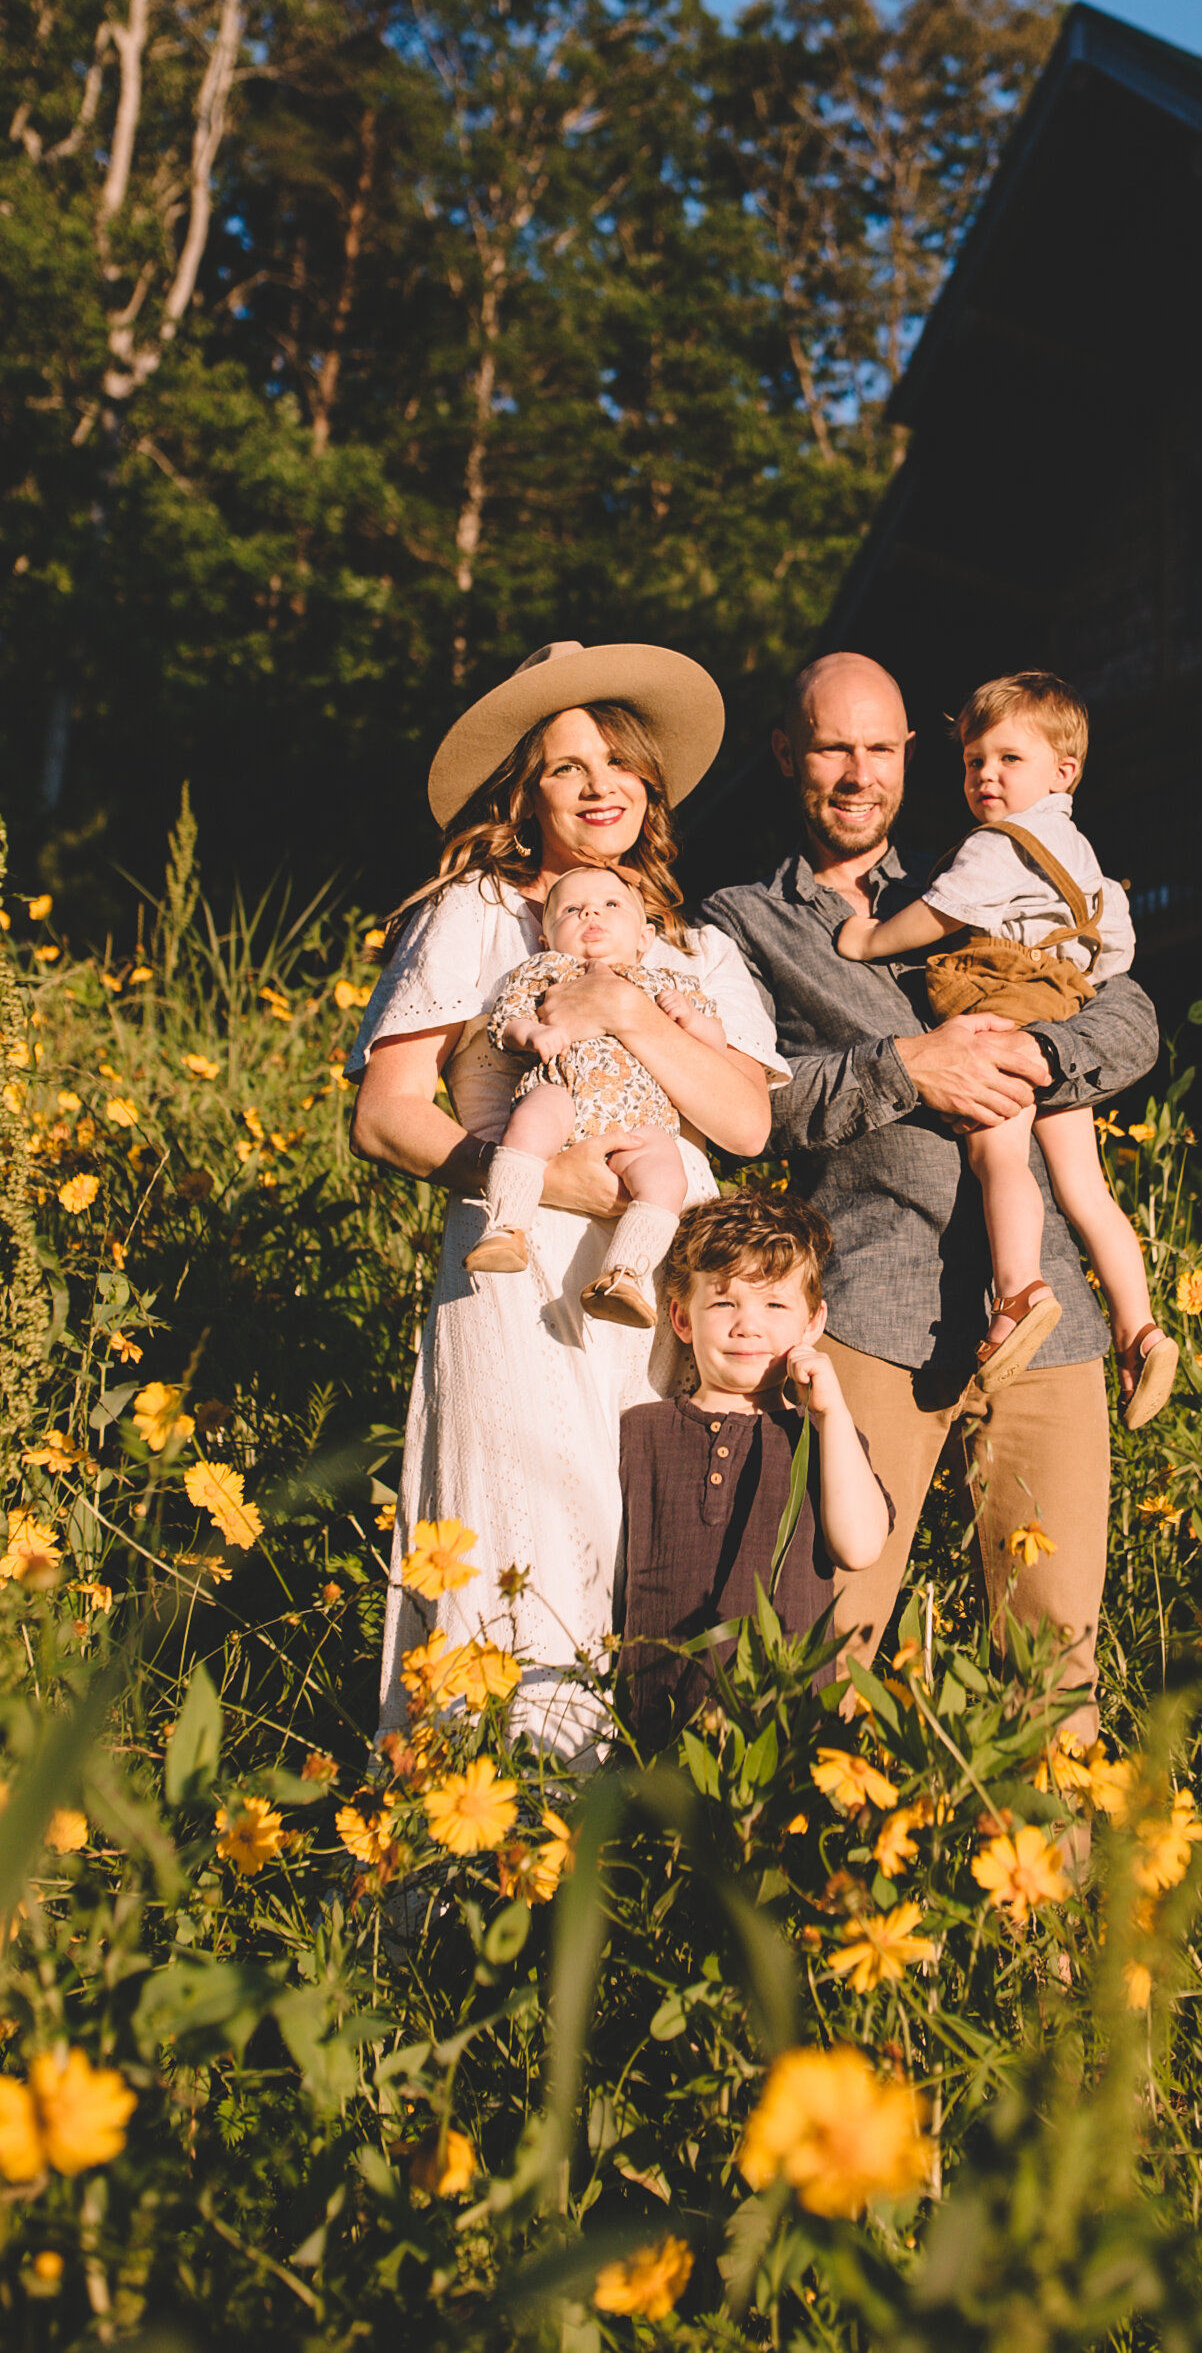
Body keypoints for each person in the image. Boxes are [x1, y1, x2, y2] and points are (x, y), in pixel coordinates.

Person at [699, 651, 1160, 1741]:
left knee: (1054, 1668)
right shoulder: (742, 924)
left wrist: (1028, 1053)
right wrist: (911, 1066)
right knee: (824, 1639)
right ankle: (802, 1896)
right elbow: (750, 1101)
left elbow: (1132, 1018)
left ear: (910, 754)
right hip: (871, 1313)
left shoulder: (992, 858)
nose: (858, 773)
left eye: (880, 747)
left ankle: (1033, 1913)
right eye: (830, 748)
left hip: (1046, 1318)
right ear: (786, 756)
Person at [348, 639, 785, 1759]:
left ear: (652, 786)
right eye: (567, 767)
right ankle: (482, 1846)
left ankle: (631, 1858)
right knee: (517, 1523)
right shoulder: (480, 916)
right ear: (523, 795)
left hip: (662, 1271)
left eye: (620, 763)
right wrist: (538, 1178)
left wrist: (630, 1009)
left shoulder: (698, 947)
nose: (601, 787)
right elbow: (388, 1111)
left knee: (651, 1537)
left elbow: (744, 1125)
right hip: (521, 1262)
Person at [836, 669, 1177, 1425]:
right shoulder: (1083, 857)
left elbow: (938, 911)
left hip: (1003, 1003)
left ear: (1064, 770)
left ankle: (1019, 1290)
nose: (984, 775)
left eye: (1006, 759)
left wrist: (868, 938)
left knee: (998, 1154)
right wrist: (1069, 995)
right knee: (1085, 1188)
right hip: (1061, 1007)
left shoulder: (998, 847)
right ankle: (1139, 1326)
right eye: (971, 761)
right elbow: (1112, 948)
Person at [615, 1190, 892, 1750]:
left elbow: (860, 1549)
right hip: (651, 1732)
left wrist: (832, 1412)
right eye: (723, 1305)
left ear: (813, 1323)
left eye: (774, 1306)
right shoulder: (639, 1431)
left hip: (782, 1734)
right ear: (681, 1319)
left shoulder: (821, 1439)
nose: (747, 1326)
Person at [468, 863, 725, 1328]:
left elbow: (716, 1049)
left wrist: (691, 1020)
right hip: (563, 1087)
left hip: (641, 1117)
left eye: (610, 904)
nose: (591, 912)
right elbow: (503, 1021)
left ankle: (625, 1274)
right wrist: (529, 1033)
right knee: (530, 1122)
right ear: (545, 938)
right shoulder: (544, 970)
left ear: (645, 937)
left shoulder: (671, 984)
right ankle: (505, 1226)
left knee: (667, 1178)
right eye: (570, 909)